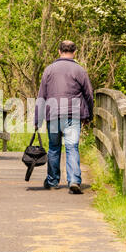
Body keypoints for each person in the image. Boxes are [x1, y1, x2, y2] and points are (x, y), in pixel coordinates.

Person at [34, 40, 94, 194]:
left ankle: (53, 181)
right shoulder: (80, 70)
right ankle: (74, 180)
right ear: (74, 52)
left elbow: (42, 96)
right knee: (72, 147)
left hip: (53, 115)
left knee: (54, 148)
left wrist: (37, 120)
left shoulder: (49, 70)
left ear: (59, 51)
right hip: (73, 115)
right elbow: (89, 95)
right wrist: (89, 114)